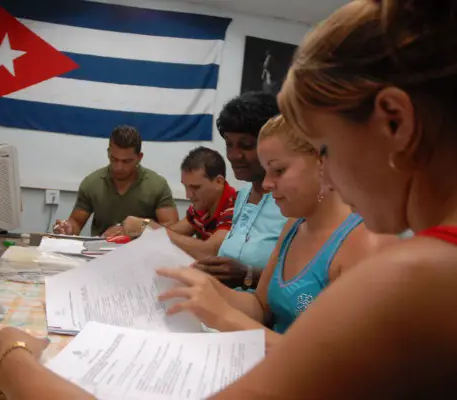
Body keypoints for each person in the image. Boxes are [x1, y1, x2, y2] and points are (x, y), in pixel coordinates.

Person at [0, 0, 457, 397]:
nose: (328, 174)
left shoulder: (414, 276)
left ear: (395, 123)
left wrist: (10, 357)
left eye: (327, 149)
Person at [159, 114, 398, 348]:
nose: (266, 183)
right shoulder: (294, 225)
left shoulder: (365, 242)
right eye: (266, 171)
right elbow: (260, 307)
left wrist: (225, 317)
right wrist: (206, 286)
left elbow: (336, 364)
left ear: (323, 164)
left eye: (278, 170)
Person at [193, 92, 287, 290]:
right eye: (229, 144)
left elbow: (302, 285)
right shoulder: (242, 195)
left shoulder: (292, 201)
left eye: (246, 145)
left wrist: (249, 276)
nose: (234, 155)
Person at [53, 126, 178, 237]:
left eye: (127, 161)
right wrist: (67, 229)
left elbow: (173, 231)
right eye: (114, 159)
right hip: (100, 254)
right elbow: (77, 222)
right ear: (108, 153)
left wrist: (138, 227)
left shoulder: (157, 185)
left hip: (144, 255)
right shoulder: (92, 183)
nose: (119, 167)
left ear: (139, 158)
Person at [122, 146, 237, 260]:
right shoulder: (203, 206)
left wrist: (145, 226)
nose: (188, 195)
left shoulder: (235, 206)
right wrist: (143, 225)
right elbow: (173, 234)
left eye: (195, 188)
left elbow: (208, 252)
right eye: (185, 187)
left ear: (219, 182)